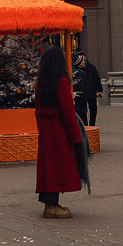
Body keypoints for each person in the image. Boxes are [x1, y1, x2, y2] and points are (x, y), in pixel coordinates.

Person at [34, 45, 83, 218]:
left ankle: (49, 203)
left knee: (48, 167)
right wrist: (76, 138)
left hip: (46, 131)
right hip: (59, 130)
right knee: (58, 167)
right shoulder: (62, 83)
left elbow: (37, 110)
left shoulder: (39, 84)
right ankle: (52, 206)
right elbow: (68, 112)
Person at [71, 53, 90, 126]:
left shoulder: (67, 71)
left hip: (73, 98)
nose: (84, 62)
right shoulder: (82, 73)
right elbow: (85, 87)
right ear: (78, 62)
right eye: (82, 61)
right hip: (81, 99)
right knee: (82, 118)